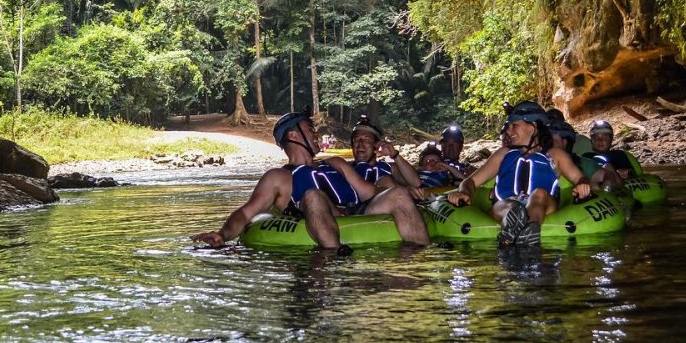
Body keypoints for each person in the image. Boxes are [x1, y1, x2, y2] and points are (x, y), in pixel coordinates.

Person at [192, 112, 429, 249]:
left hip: (357, 212)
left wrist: (404, 190)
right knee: (313, 195)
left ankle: (421, 260)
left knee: (398, 194)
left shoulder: (335, 163)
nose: (317, 134)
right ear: (294, 135)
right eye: (310, 129)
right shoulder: (279, 178)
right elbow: (246, 213)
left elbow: (368, 193)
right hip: (324, 216)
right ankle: (333, 259)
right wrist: (222, 235)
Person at [448, 101, 592, 247]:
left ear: (533, 127)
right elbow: (470, 182)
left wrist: (582, 184)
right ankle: (513, 226)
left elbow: (580, 178)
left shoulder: (555, 155)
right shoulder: (503, 154)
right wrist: (464, 192)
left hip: (542, 204)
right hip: (506, 206)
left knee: (539, 194)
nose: (508, 131)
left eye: (514, 125)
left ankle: (529, 230)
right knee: (507, 205)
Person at [349, 115, 423, 192]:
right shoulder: (345, 168)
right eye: (357, 140)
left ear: (376, 146)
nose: (361, 144)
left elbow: (416, 183)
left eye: (366, 140)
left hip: (385, 200)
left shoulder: (388, 168)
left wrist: (395, 155)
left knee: (386, 181)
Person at [549, 119, 620, 192]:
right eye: (596, 138)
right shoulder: (541, 160)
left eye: (552, 139)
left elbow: (607, 175)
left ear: (565, 142)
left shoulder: (583, 162)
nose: (600, 141)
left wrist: (606, 186)